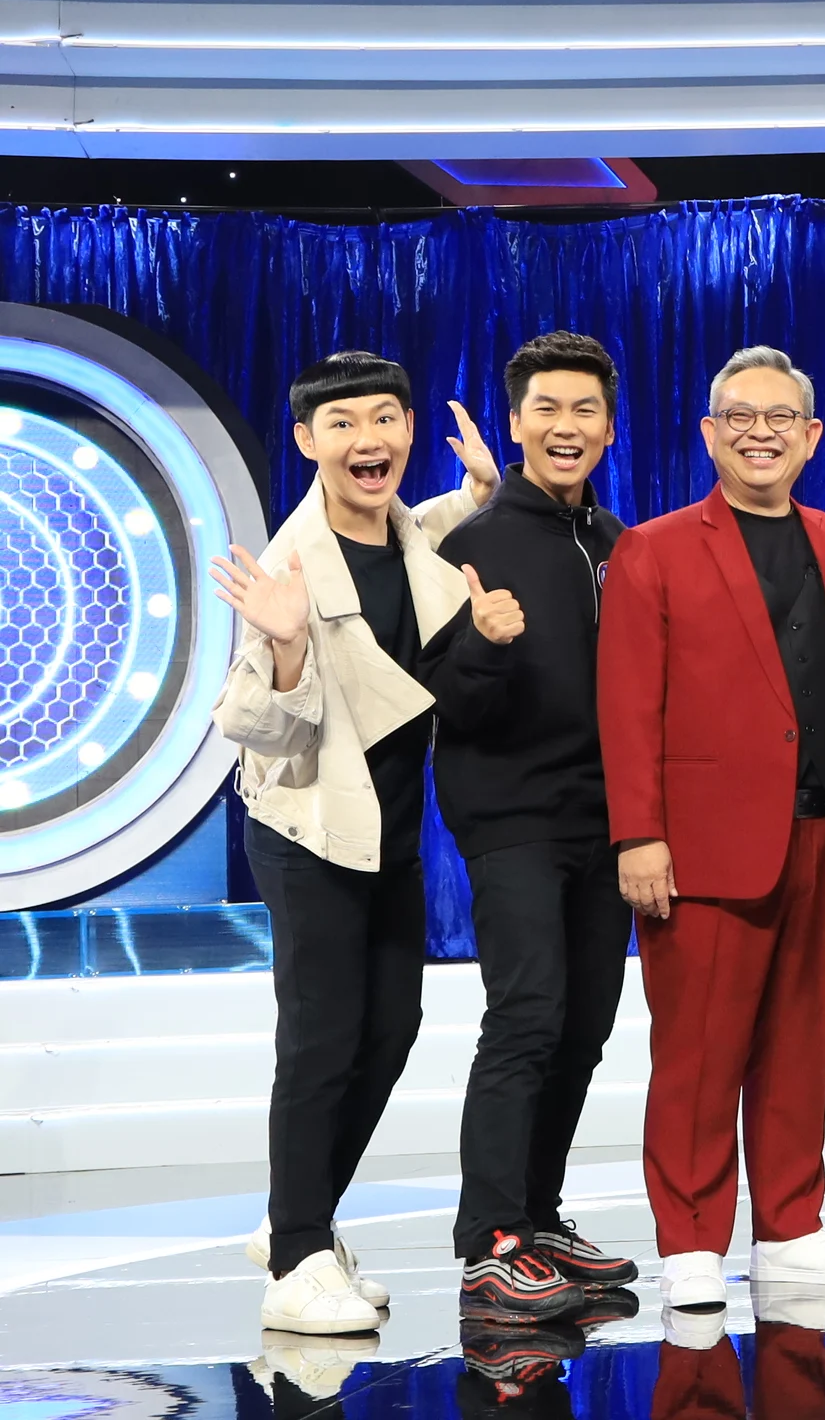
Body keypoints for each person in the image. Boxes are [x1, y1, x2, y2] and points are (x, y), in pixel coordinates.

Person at [597, 345, 825, 1310]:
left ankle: (791, 1227)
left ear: (812, 437)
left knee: (803, 1045)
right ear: (709, 434)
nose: (760, 433)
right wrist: (639, 835)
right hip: (702, 845)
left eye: (780, 419)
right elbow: (626, 705)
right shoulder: (654, 549)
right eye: (741, 417)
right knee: (697, 1054)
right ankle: (690, 1242)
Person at [209, 352, 494, 1334]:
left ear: (408, 429)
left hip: (388, 828)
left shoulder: (405, 528)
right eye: (342, 424)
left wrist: (481, 489)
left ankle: (300, 1223)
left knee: (391, 1028)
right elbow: (250, 725)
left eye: (385, 419)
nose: (368, 440)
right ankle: (295, 1260)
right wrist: (288, 647)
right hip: (309, 827)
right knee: (321, 1038)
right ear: (306, 440)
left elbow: (430, 535)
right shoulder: (291, 563)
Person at [416, 331, 642, 1319]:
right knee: (528, 1016)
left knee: (585, 1025)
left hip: (608, 821)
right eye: (546, 408)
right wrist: (485, 645)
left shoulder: (621, 543)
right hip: (511, 817)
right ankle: (490, 1241)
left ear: (609, 427)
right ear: (515, 423)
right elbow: (447, 706)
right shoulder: (467, 545)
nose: (566, 425)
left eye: (585, 409)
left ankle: (539, 1219)